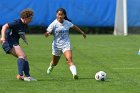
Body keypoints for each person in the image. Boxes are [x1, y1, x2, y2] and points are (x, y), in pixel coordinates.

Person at [44, 8, 86, 80]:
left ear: (64, 15)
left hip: (66, 44)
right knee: (55, 63)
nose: (60, 16)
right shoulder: (53, 24)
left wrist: (82, 32)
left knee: (69, 59)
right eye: (59, 14)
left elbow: (74, 27)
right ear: (56, 15)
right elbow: (47, 33)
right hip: (56, 46)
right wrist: (47, 34)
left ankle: (74, 74)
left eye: (61, 14)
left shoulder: (67, 23)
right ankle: (51, 65)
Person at [0, 9, 36, 81]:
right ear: (25, 17)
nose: (31, 20)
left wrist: (24, 39)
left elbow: (21, 33)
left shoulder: (25, 25)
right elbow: (4, 26)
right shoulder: (16, 22)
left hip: (14, 43)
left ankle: (27, 76)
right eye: (30, 18)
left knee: (24, 57)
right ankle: (20, 75)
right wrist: (3, 37)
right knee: (22, 56)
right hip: (8, 42)